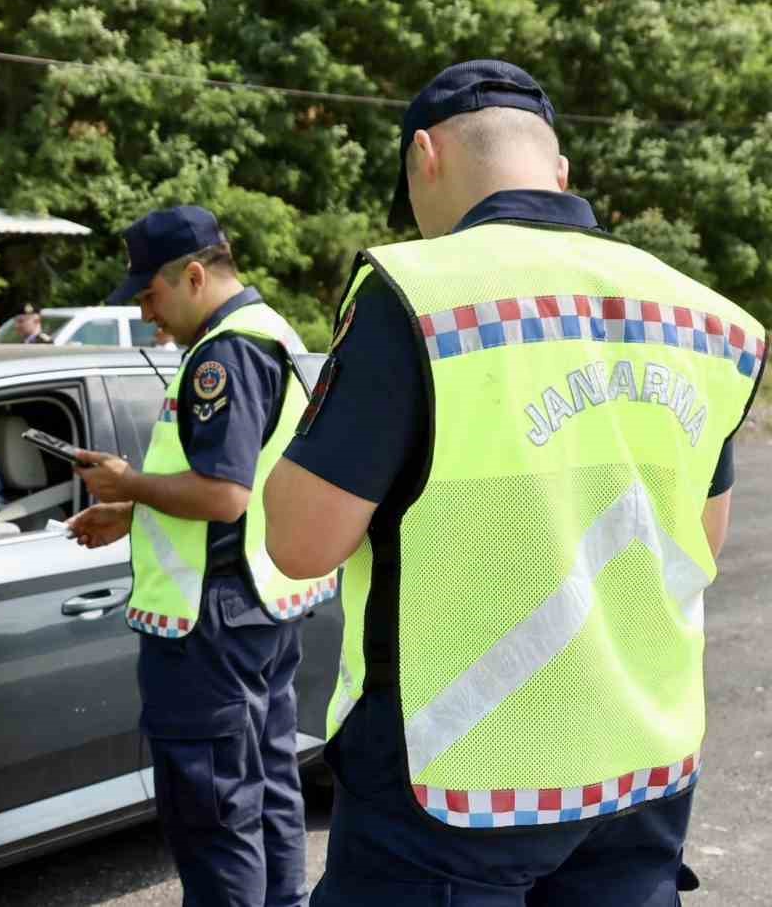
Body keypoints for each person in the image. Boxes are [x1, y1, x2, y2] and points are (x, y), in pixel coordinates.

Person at [264, 60, 765, 907]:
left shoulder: (418, 293)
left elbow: (300, 543)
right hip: (642, 765)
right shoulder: (704, 316)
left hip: (457, 777)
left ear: (425, 157)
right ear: (559, 169)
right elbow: (702, 539)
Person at [63, 206, 335, 907]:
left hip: (208, 626)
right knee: (267, 790)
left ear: (192, 275)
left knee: (214, 813)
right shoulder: (269, 331)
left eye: (150, 294)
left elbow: (224, 494)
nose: (147, 314)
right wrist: (135, 512)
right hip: (257, 605)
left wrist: (129, 483)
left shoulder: (225, 354)